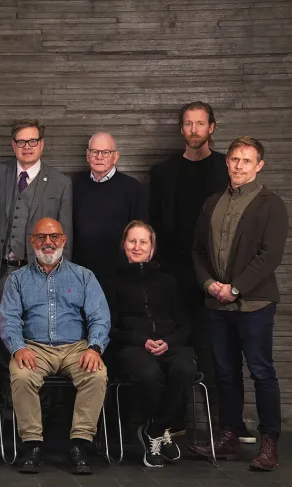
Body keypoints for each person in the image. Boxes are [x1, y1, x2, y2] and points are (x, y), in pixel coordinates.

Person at [189, 137, 288, 471]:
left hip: (255, 303)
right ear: (226, 162)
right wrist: (208, 284)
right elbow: (198, 251)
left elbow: (270, 255)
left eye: (247, 161)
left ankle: (269, 442)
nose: (239, 166)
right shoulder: (212, 202)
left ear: (259, 165)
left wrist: (235, 289)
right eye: (234, 159)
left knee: (261, 372)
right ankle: (230, 434)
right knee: (225, 372)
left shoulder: (271, 204)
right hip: (216, 303)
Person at [149, 102, 243, 440]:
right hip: (174, 272)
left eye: (200, 124)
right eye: (188, 124)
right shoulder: (163, 172)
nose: (193, 130)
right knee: (176, 346)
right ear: (181, 129)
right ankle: (174, 420)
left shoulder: (225, 169)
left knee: (220, 348)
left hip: (218, 273)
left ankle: (229, 426)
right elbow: (156, 226)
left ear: (212, 128)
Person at [0, 217, 109, 475]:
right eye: (41, 237)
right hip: (33, 347)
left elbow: (100, 317)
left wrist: (94, 348)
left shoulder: (84, 276)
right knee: (22, 375)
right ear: (32, 242)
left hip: (76, 348)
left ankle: (80, 444)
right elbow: (9, 320)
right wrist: (18, 348)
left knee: (97, 374)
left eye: (53, 237)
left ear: (63, 240)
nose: (47, 242)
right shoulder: (17, 279)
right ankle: (32, 445)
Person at [105, 221, 196, 468]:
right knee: (148, 373)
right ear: (123, 245)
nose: (137, 247)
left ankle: (154, 429)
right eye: (132, 241)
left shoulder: (168, 281)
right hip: (133, 347)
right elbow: (109, 327)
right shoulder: (111, 282)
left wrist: (168, 342)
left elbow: (185, 325)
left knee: (184, 370)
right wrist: (141, 340)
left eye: (143, 242)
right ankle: (160, 432)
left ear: (152, 248)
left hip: (170, 345)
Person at [0, 119, 73, 305]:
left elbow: (66, 237)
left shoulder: (61, 183)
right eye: (21, 142)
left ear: (41, 144)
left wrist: (58, 279)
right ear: (13, 145)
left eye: (32, 141)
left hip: (39, 274)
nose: (27, 146)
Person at [73, 132, 147, 283]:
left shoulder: (132, 188)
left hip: (120, 273)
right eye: (94, 152)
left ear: (116, 156)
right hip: (81, 272)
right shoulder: (75, 185)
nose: (99, 157)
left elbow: (141, 231)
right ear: (88, 156)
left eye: (106, 152)